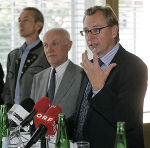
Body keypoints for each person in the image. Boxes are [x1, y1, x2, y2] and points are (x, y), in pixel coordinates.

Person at [67, 5, 148, 148]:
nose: (90, 37)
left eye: (96, 30)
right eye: (86, 31)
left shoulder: (134, 66)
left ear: (114, 31)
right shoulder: (90, 66)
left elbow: (126, 120)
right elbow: (83, 115)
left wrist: (99, 89)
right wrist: (55, 124)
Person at [2, 7, 49, 107]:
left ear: (38, 25)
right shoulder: (13, 55)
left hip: (34, 116)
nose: (20, 24)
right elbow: (7, 89)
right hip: (12, 117)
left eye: (25, 20)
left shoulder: (46, 53)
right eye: (19, 20)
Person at [30, 28, 82, 118]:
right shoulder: (38, 78)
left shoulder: (81, 76)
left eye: (55, 44)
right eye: (46, 45)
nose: (49, 50)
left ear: (69, 46)